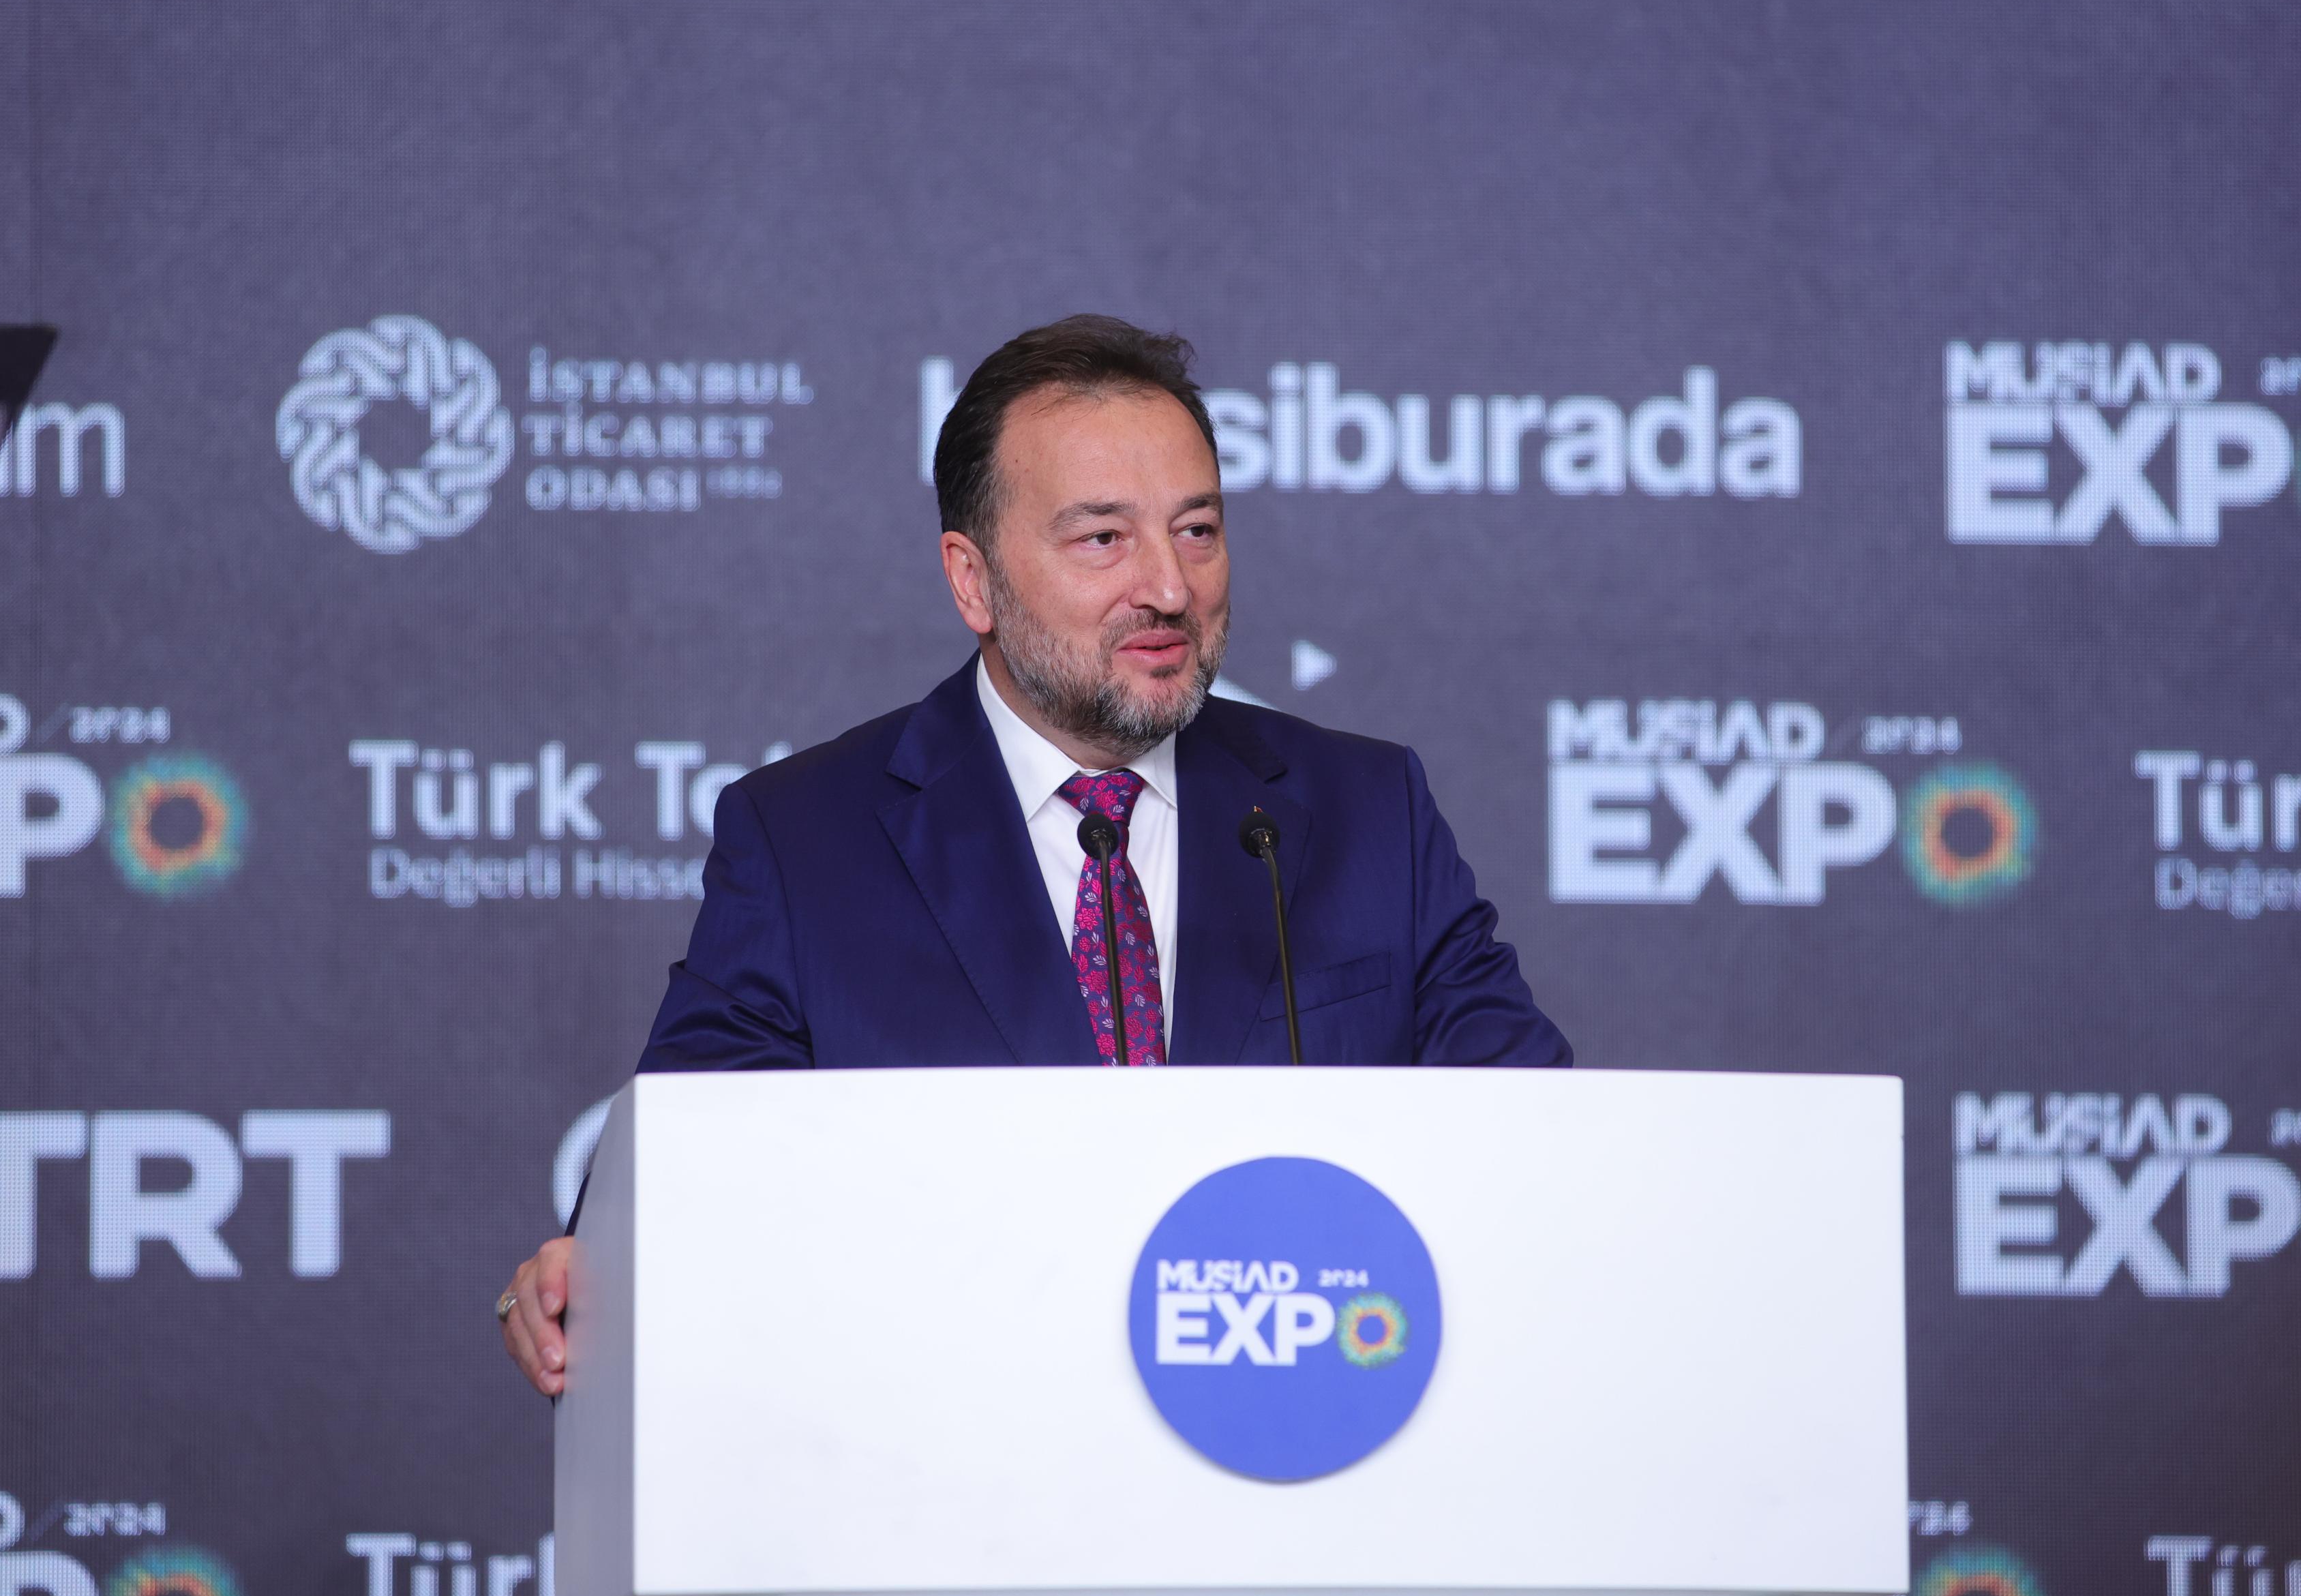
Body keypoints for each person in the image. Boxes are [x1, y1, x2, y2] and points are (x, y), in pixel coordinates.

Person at [498, 314, 1569, 1392]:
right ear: (973, 581)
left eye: (1197, 530)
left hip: (1296, 1423)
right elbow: (685, 1174)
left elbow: (1542, 1150)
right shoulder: (806, 839)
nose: (1169, 588)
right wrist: (592, 1268)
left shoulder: (1366, 811)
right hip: (959, 1438)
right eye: (1104, 539)